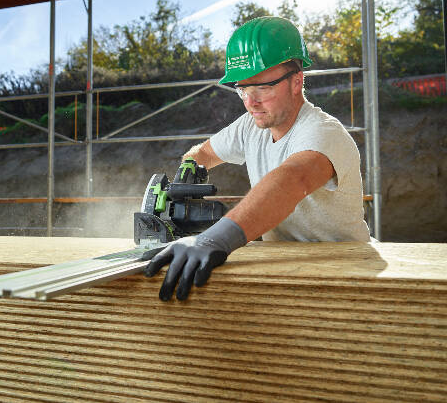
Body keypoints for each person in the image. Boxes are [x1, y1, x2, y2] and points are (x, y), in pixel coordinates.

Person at [144, 16, 370, 301]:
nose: (251, 102)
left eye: (263, 88)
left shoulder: (323, 132)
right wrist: (189, 170)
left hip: (346, 272)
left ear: (296, 82)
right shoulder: (251, 125)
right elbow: (203, 152)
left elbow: (291, 180)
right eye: (243, 89)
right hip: (283, 268)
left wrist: (215, 238)